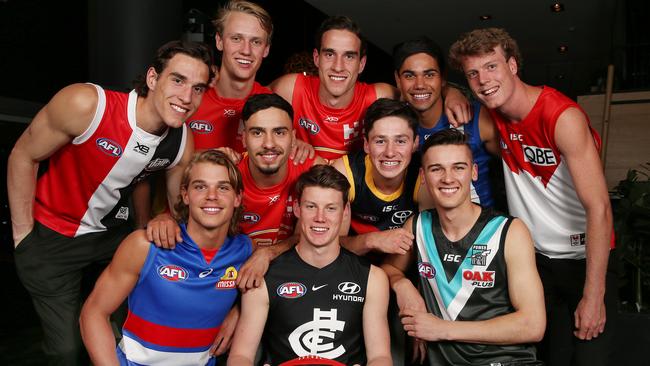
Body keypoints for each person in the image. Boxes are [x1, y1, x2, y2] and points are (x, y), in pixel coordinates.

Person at [8, 40, 212, 365]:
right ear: (152, 78)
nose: (187, 97)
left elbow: (178, 207)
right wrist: (22, 235)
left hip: (111, 238)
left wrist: (162, 218)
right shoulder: (87, 104)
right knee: (65, 351)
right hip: (53, 236)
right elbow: (23, 155)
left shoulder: (181, 141)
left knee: (125, 336)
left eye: (198, 88)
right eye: (178, 80)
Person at [449, 28, 616, 366]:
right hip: (537, 263)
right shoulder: (491, 112)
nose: (483, 80)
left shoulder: (562, 117)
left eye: (492, 67)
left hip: (584, 259)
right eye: (473, 74)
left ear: (513, 65)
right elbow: (427, 95)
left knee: (590, 357)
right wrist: (450, 91)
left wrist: (594, 294)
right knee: (548, 358)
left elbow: (599, 207)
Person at [383, 129, 546, 365]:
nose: (448, 178)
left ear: (474, 172)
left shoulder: (509, 231)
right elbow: (387, 269)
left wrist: (442, 329)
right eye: (436, 169)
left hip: (507, 360)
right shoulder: (417, 227)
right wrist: (403, 286)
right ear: (423, 176)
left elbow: (533, 325)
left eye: (458, 167)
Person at [80, 150, 252, 365]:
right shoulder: (144, 245)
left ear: (237, 198)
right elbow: (93, 313)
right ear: (185, 194)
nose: (212, 195)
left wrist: (239, 311)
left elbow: (281, 269)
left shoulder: (245, 252)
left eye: (223, 187)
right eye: (200, 186)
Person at [227, 165, 391, 365]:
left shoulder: (372, 278)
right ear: (297, 208)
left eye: (331, 208)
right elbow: (241, 356)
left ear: (345, 211)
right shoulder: (264, 276)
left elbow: (380, 357)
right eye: (311, 206)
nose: (320, 218)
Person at [270, 15, 471, 161]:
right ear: (317, 58)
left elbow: (419, 92)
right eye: (330, 54)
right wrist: (285, 139)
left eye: (349, 56)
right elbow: (248, 106)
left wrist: (451, 91)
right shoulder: (291, 88)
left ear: (362, 64)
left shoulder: (378, 96)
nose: (338, 66)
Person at [393, 36, 498, 207]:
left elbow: (520, 171)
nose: (420, 84)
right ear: (398, 80)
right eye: (410, 75)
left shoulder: (476, 118)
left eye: (429, 74)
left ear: (442, 79)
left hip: (483, 225)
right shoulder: (394, 123)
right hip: (427, 228)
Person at [330, 98, 425, 257]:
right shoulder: (346, 173)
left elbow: (429, 244)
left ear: (415, 143)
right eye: (380, 141)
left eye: (400, 141)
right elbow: (328, 246)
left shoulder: (424, 175)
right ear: (366, 144)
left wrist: (395, 275)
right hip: (351, 263)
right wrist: (371, 240)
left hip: (403, 262)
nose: (389, 152)